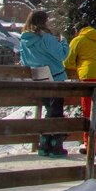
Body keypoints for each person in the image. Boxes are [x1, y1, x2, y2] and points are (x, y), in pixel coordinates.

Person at [20, 10, 70, 157]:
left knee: (49, 109)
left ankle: (45, 142)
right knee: (56, 111)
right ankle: (55, 144)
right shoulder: (45, 37)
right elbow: (62, 55)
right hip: (55, 77)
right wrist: (63, 41)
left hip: (39, 77)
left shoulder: (24, 39)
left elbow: (24, 61)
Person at [63, 23, 96, 155]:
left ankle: (92, 147)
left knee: (88, 112)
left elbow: (68, 61)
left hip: (88, 76)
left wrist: (76, 66)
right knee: (95, 112)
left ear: (78, 30)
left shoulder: (78, 40)